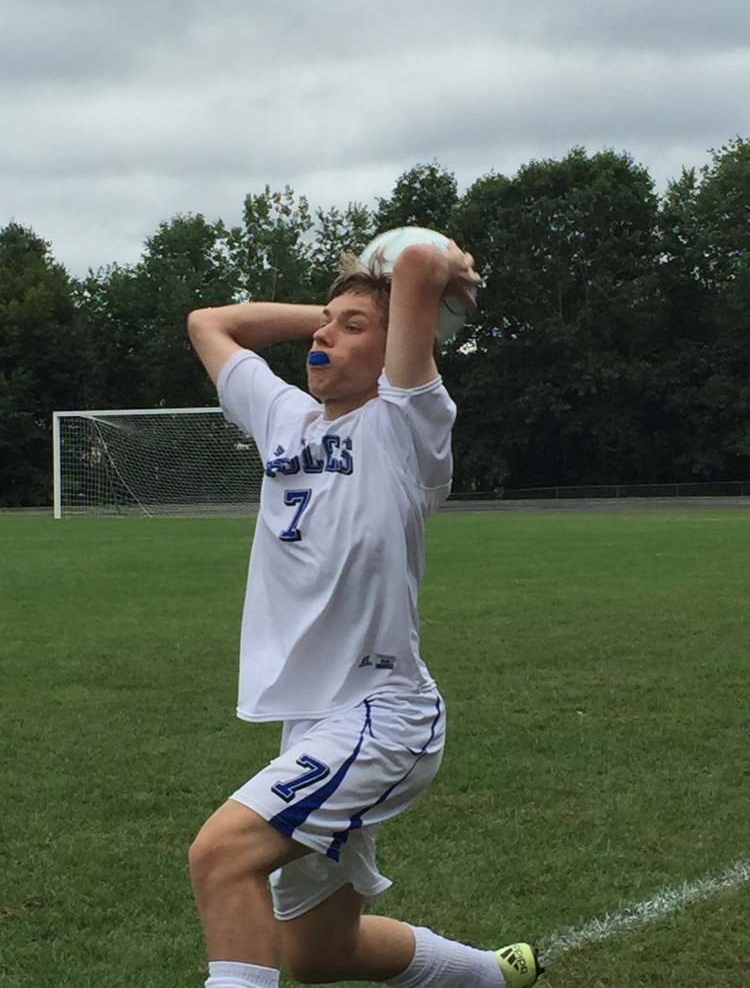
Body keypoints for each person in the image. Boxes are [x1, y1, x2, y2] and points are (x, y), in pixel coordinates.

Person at [186, 239, 543, 988]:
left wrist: (439, 267)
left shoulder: (407, 430)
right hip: (311, 720)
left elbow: (414, 262)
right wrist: (332, 309)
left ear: (399, 351)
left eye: (353, 327)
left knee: (220, 856)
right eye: (326, 322)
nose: (322, 335)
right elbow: (209, 323)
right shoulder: (284, 417)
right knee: (318, 956)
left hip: (383, 714)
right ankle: (488, 977)